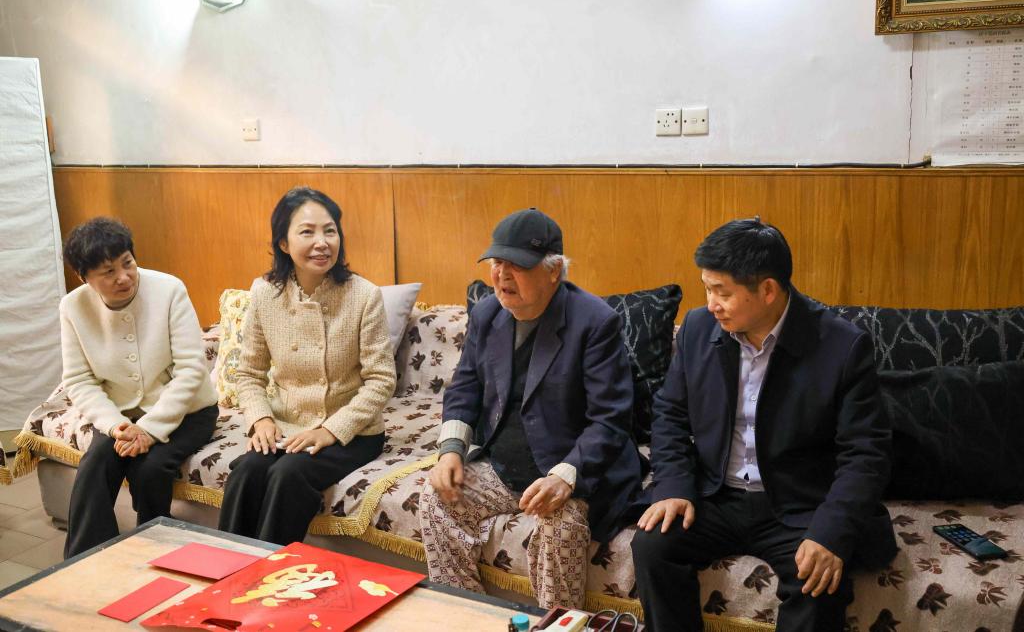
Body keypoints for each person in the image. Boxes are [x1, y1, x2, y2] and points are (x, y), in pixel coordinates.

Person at [631, 218, 897, 631]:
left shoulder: (841, 345)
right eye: (707, 289)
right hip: (716, 495)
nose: (711, 304)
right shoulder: (698, 330)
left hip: (798, 502)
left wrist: (831, 531)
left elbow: (866, 453)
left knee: (818, 582)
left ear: (768, 290)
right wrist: (674, 487)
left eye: (722, 292)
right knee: (653, 546)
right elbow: (670, 413)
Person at [420, 207, 646, 610]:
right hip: (506, 463)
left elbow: (610, 419)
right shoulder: (487, 313)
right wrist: (450, 450)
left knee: (561, 529)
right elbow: (465, 387)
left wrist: (564, 476)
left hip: (573, 467)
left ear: (554, 271)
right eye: (497, 263)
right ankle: (469, 618)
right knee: (437, 498)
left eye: (517, 266)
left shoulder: (595, 322)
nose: (502, 276)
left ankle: (555, 625)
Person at [218, 186, 396, 545]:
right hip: (287, 424)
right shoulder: (265, 293)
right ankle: (227, 564)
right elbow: (249, 373)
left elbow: (381, 380)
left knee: (288, 473)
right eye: (307, 232)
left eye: (330, 231)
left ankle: (270, 571)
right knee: (248, 470)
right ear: (284, 243)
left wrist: (330, 431)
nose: (322, 242)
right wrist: (260, 419)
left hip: (352, 433)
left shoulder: (364, 295)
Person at [60, 217, 218, 558]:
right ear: (84, 277)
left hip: (188, 412)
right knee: (95, 465)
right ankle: (87, 560)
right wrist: (115, 426)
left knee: (149, 468)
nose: (124, 277)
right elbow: (79, 379)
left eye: (127, 263)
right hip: (121, 415)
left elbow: (192, 370)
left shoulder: (169, 290)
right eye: (108, 272)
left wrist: (149, 429)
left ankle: (153, 553)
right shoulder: (73, 307)